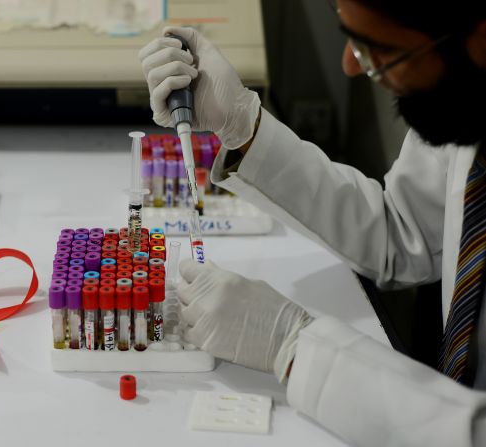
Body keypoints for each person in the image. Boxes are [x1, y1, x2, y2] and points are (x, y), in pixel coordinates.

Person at [139, 1, 486, 445]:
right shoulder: (470, 92)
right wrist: (243, 126)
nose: (349, 66)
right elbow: (405, 233)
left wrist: (297, 347)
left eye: (377, 49)